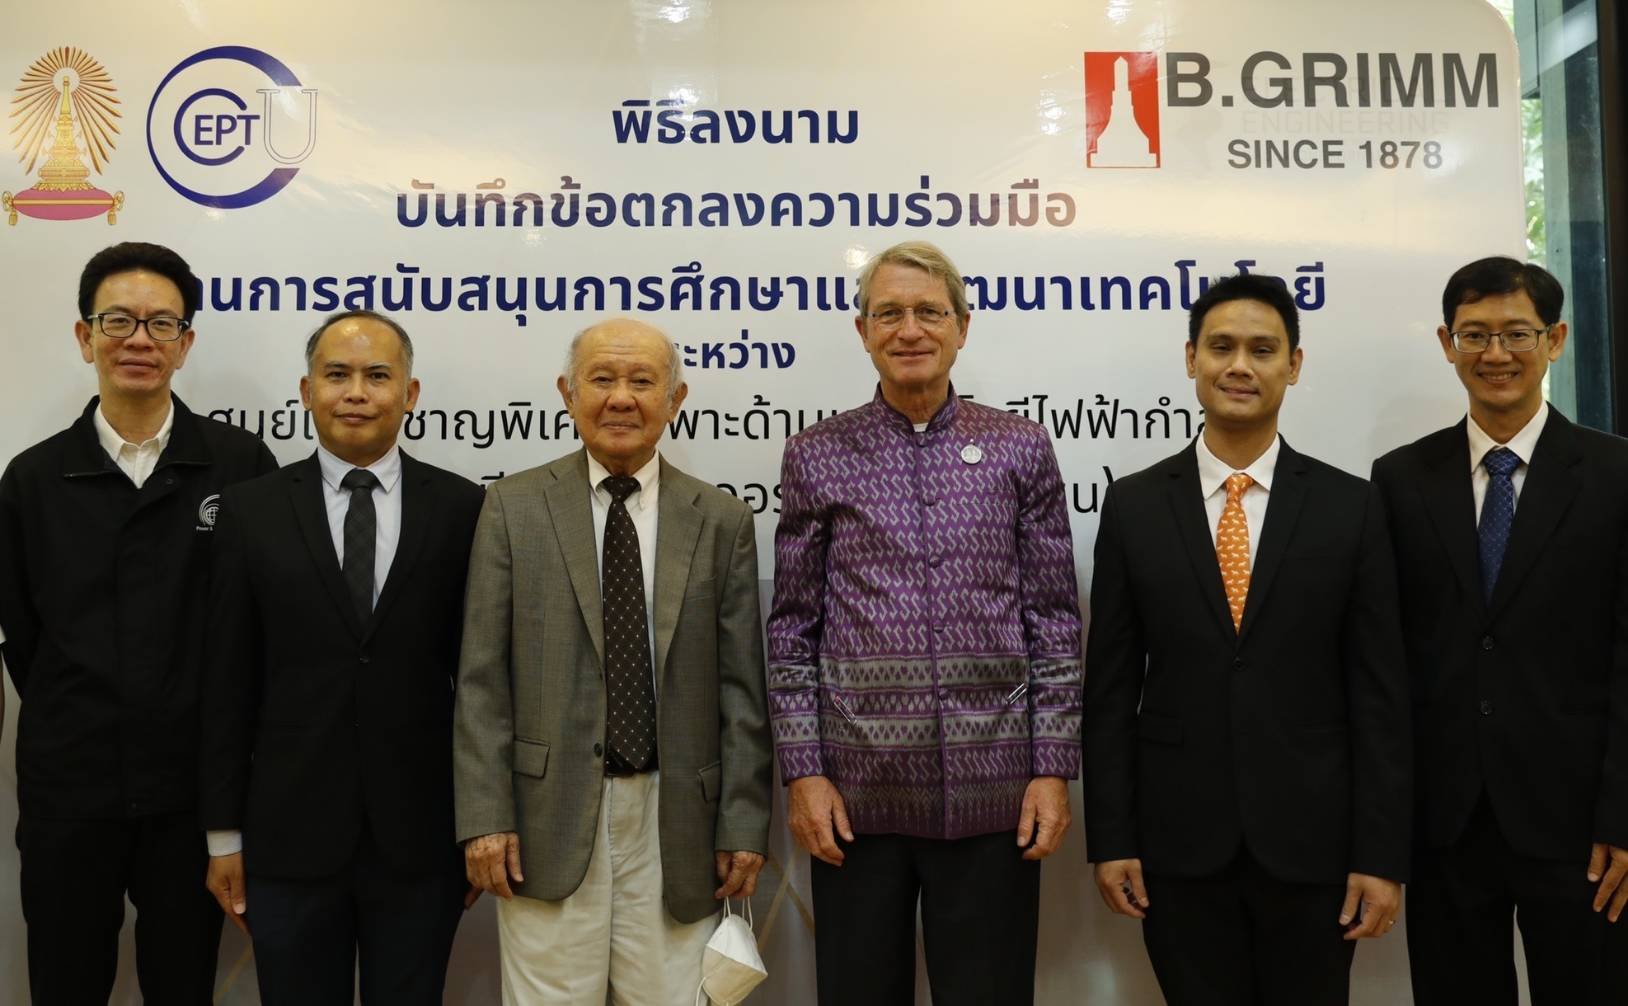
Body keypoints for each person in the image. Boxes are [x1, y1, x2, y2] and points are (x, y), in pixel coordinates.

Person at [766, 241, 1082, 1005]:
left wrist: (1051, 768)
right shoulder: (817, 454)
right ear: (863, 331)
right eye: (889, 313)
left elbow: (1054, 621)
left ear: (962, 328)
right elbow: (791, 631)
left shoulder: (1019, 448)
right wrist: (804, 772)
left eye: (929, 312)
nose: (909, 329)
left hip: (994, 791)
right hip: (856, 797)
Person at [1083, 272, 1411, 1005]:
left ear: (1294, 364)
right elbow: (1109, 692)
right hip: (1176, 846)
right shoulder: (1134, 506)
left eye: (1262, 350)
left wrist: (1380, 854)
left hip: (1316, 847)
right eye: (1221, 347)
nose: (1240, 366)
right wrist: (1113, 838)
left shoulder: (1351, 507)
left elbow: (1381, 695)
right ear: (1191, 357)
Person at [454, 317, 772, 1005]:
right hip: (545, 817)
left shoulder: (721, 521)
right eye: (601, 379)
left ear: (675, 399)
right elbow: (481, 681)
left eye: (642, 381)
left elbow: (741, 691)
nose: (621, 397)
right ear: (567, 393)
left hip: (677, 823)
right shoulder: (511, 507)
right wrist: (485, 816)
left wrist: (744, 824)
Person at [0, 241, 277, 1004]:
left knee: (183, 985)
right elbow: (24, 637)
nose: (139, 340)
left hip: (194, 798)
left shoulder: (240, 466)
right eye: (117, 320)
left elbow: (260, 629)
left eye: (161, 324)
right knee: (65, 983)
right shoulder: (32, 480)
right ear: (84, 336)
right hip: (69, 792)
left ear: (185, 344)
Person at [198, 310, 483, 1004]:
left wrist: (483, 824)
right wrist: (222, 837)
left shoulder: (463, 508)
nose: (356, 392)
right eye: (337, 375)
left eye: (377, 375)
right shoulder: (249, 511)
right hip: (286, 838)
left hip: (422, 839)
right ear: (307, 391)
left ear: (410, 394)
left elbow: (483, 687)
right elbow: (226, 681)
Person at [1371, 256, 1628, 1004]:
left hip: (1582, 824)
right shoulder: (1400, 479)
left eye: (1517, 333)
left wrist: (1623, 813)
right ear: (1447, 343)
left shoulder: (1616, 475)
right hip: (1445, 820)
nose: (1496, 354)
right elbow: (1387, 659)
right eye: (1475, 335)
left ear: (1556, 339)